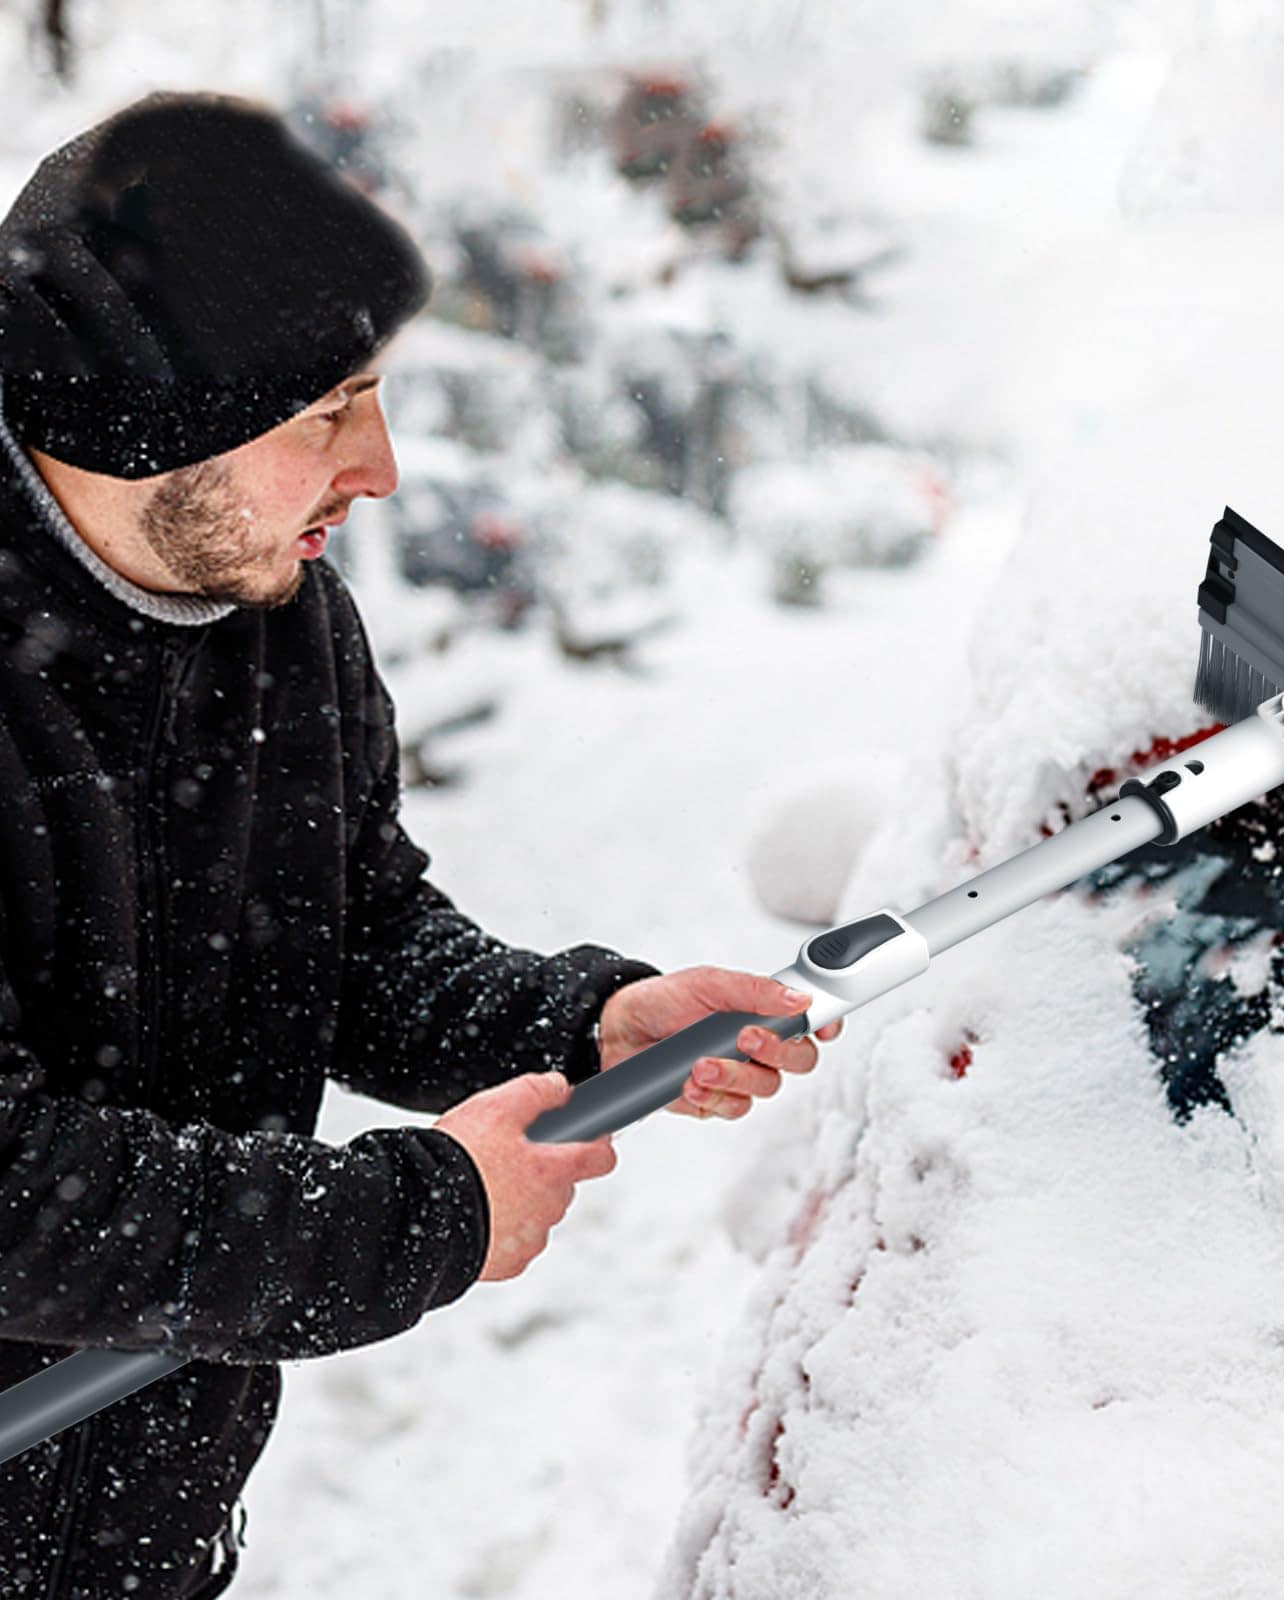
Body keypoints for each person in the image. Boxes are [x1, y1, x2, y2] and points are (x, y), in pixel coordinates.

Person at [0, 91, 840, 1598]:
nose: (378, 469)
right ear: (153, 409)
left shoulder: (278, 621)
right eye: (326, 411)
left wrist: (577, 1022)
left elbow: (350, 938)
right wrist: (411, 1219)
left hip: (140, 1539)